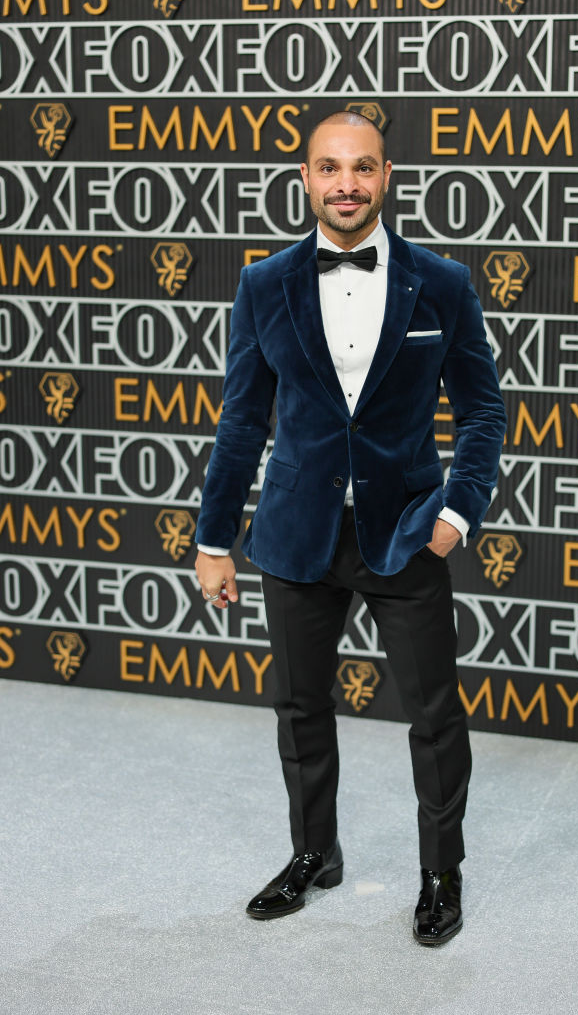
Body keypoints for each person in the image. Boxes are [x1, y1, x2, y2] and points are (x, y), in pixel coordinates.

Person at [194, 111, 506, 946]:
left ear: (386, 176)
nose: (345, 184)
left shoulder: (442, 282)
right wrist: (214, 540)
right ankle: (313, 854)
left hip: (406, 530)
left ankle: (440, 873)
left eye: (361, 167)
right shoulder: (263, 283)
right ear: (304, 178)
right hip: (296, 534)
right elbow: (241, 422)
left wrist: (455, 513)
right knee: (299, 708)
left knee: (433, 714)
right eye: (329, 168)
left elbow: (482, 412)